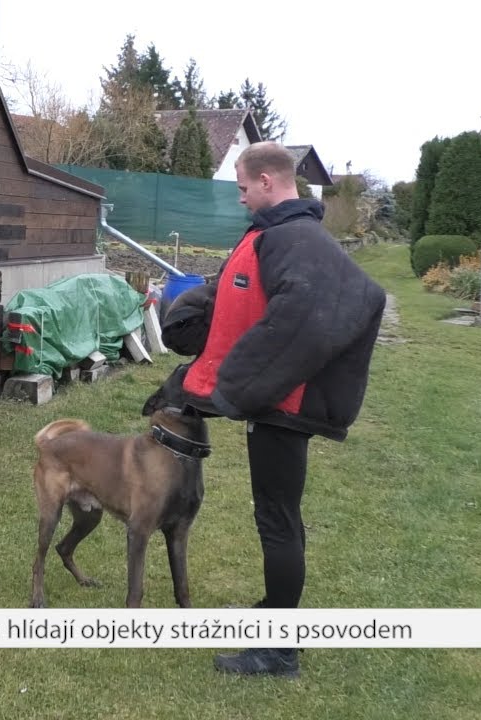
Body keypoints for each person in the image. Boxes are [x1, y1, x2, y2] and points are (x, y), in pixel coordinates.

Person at [158, 142, 387, 678]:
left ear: (266, 180)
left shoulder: (298, 239)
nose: (240, 200)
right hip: (276, 400)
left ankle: (279, 651)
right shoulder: (278, 233)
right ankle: (274, 616)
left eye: (241, 188)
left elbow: (305, 319)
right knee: (280, 517)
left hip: (287, 404)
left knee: (278, 521)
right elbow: (250, 299)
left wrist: (236, 388)